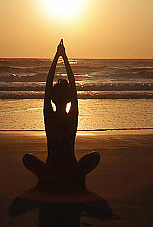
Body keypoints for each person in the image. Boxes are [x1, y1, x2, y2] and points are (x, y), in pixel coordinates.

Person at [23, 40, 100, 188]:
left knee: (27, 158)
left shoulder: (51, 116)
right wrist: (63, 57)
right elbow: (72, 85)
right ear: (69, 98)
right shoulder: (70, 116)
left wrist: (57, 57)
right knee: (95, 156)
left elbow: (48, 86)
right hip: (69, 170)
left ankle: (49, 180)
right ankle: (72, 179)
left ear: (53, 98)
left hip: (54, 171)